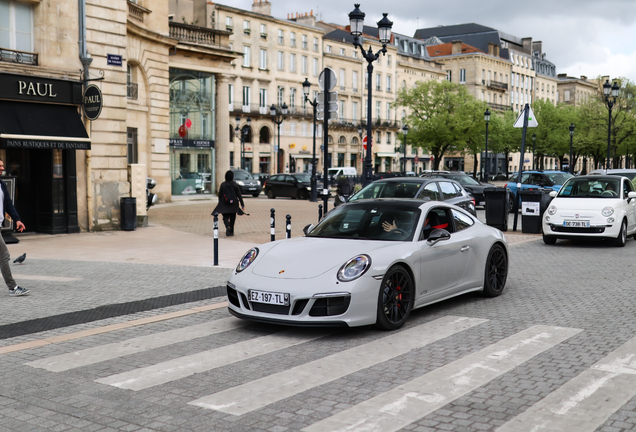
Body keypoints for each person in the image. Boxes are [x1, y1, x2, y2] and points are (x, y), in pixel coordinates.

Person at [0, 160, 29, 296]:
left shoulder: (1, 184)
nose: (2, 167)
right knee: (4, 256)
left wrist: (17, 219)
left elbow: (8, 204)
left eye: (2, 165)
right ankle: (12, 288)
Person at [213, 170, 245, 237]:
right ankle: (231, 232)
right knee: (233, 218)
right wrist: (242, 204)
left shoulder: (223, 185)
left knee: (225, 217)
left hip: (225, 204)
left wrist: (220, 203)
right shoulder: (235, 185)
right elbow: (239, 195)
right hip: (234, 204)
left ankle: (227, 226)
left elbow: (220, 195)